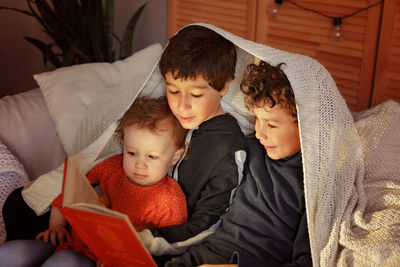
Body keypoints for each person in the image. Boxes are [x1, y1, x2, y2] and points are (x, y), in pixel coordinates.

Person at [0, 97, 188, 266]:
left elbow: (168, 250)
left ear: (175, 156)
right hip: (71, 241)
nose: (140, 165)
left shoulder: (170, 200)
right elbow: (71, 185)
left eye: (152, 157)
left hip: (101, 260)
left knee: (62, 262)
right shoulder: (112, 167)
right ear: (123, 145)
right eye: (132, 153)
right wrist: (56, 226)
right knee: (11, 253)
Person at [165, 60, 312, 266]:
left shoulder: (314, 184)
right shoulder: (248, 150)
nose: (259, 133)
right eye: (257, 120)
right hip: (203, 253)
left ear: (306, 126)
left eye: (271, 124)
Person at [137, 25, 247, 260]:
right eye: (173, 91)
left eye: (196, 95)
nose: (182, 106)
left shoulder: (227, 150)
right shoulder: (167, 116)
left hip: (163, 244)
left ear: (225, 85)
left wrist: (148, 240)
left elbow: (208, 224)